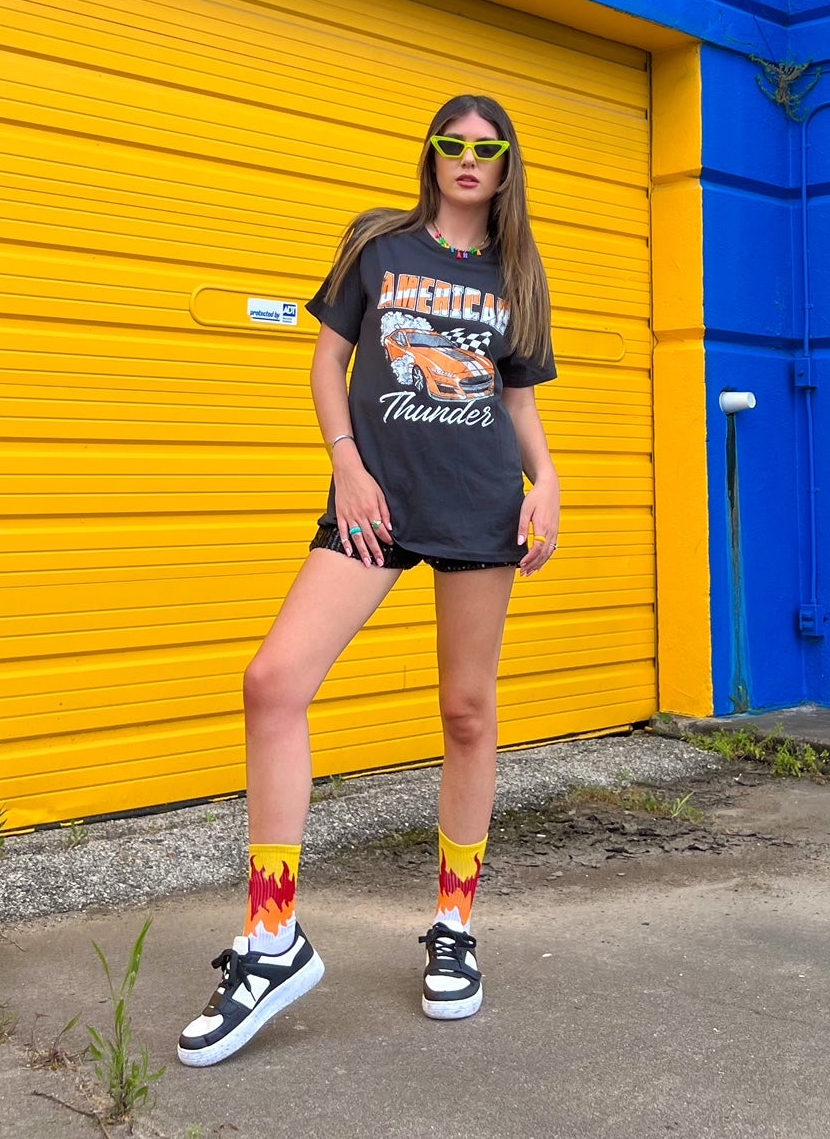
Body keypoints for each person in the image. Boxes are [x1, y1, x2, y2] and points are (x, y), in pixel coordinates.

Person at [178, 93, 560, 1068]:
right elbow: (328, 362)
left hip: (479, 504)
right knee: (274, 681)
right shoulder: (377, 245)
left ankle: (454, 925)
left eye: (486, 148)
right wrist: (347, 462)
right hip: (372, 505)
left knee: (467, 712)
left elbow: (517, 399)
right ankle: (273, 936)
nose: (467, 159)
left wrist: (549, 483)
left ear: (506, 165)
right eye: (450, 143)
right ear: (428, 154)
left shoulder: (518, 273)